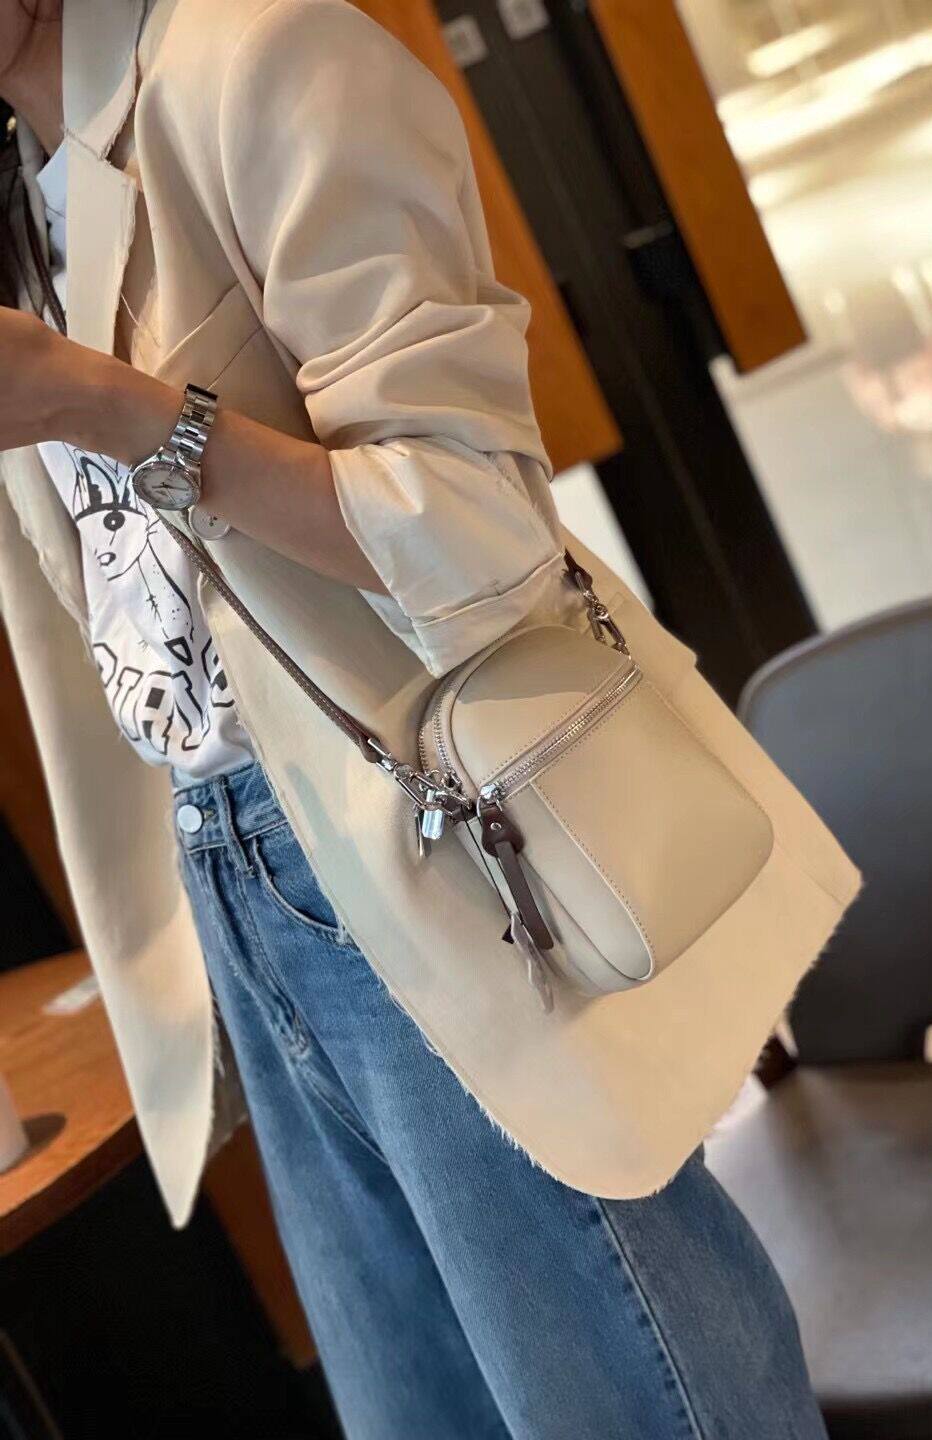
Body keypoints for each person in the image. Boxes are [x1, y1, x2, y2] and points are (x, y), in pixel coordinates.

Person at [0, 2, 843, 1435]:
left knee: (623, 1400)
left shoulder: (263, 56)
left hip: (416, 827)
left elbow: (473, 521)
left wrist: (111, 406)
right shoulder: (23, 198)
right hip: (227, 868)